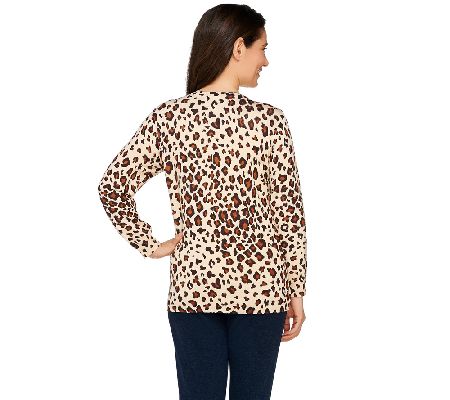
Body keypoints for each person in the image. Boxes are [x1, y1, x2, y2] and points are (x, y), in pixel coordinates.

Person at [97, 4, 308, 399]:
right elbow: (289, 217)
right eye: (263, 48)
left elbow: (113, 186)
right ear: (239, 47)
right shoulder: (270, 121)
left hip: (193, 291)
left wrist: (152, 245)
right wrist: (296, 289)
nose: (265, 60)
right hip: (262, 292)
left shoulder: (169, 118)